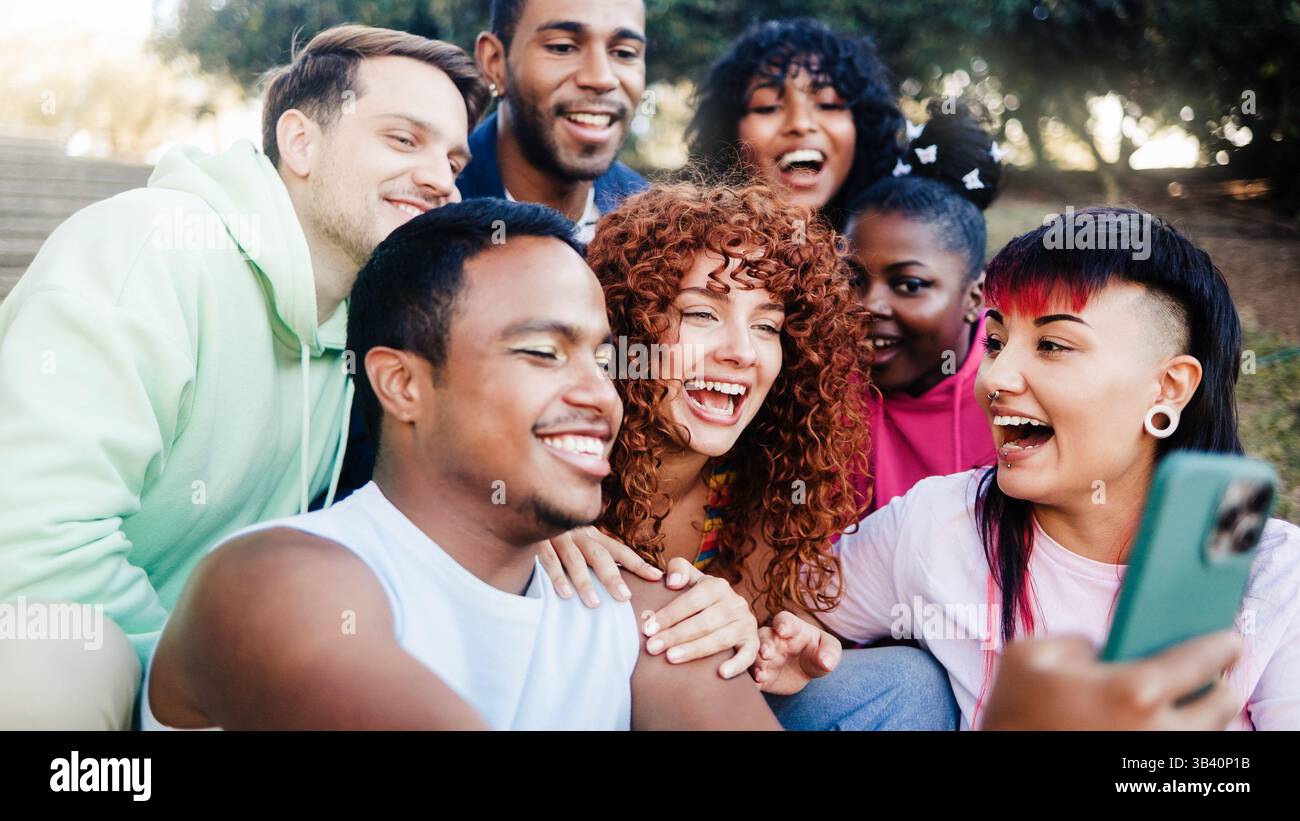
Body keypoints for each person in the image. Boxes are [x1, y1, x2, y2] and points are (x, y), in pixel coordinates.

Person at [0, 25, 487, 729]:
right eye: (404, 139)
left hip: (200, 685)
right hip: (77, 665)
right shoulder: (147, 249)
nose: (442, 179)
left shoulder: (366, 331)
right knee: (54, 659)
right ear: (301, 143)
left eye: (453, 159)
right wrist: (198, 696)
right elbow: (30, 545)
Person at [143, 199, 782, 730]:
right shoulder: (272, 580)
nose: (600, 394)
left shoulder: (650, 616)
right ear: (402, 385)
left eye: (602, 359)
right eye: (543, 352)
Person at [761, 207, 1300, 729]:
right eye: (996, 342)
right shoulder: (938, 523)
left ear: (1168, 388)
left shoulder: (1277, 577)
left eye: (1053, 345)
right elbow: (790, 612)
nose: (995, 378)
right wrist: (798, 644)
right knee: (906, 683)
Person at [539, 181, 960, 729]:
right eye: (702, 314)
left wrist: (767, 645)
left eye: (766, 326)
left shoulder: (763, 482)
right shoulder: (554, 446)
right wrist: (531, 531)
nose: (741, 352)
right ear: (623, 325)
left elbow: (734, 660)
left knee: (909, 681)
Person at [845, 103, 1002, 512]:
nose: (869, 304)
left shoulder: (1016, 403)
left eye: (909, 285)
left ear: (975, 297)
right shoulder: (820, 390)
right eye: (853, 280)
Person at [686, 17, 903, 231]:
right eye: (768, 107)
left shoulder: (898, 240)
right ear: (729, 133)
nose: (800, 124)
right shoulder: (693, 245)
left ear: (862, 128)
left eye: (827, 104)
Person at [463, 0, 650, 241]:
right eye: (563, 48)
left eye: (625, 53)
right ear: (495, 63)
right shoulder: (434, 207)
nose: (602, 78)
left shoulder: (654, 229)